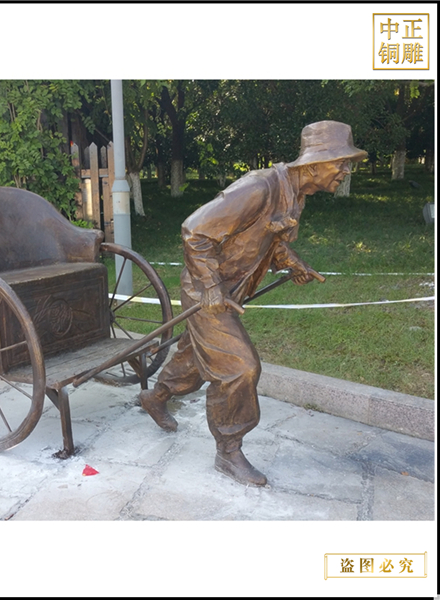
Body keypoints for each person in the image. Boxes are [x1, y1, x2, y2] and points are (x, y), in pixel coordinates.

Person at [139, 121, 367, 487]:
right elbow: (195, 231)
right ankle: (228, 450)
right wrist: (211, 286)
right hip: (206, 290)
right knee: (240, 368)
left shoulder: (295, 194)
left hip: (232, 289)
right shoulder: (259, 187)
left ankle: (156, 396)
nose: (345, 171)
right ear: (315, 163)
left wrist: (291, 262)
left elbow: (269, 239)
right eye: (340, 163)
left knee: (196, 356)